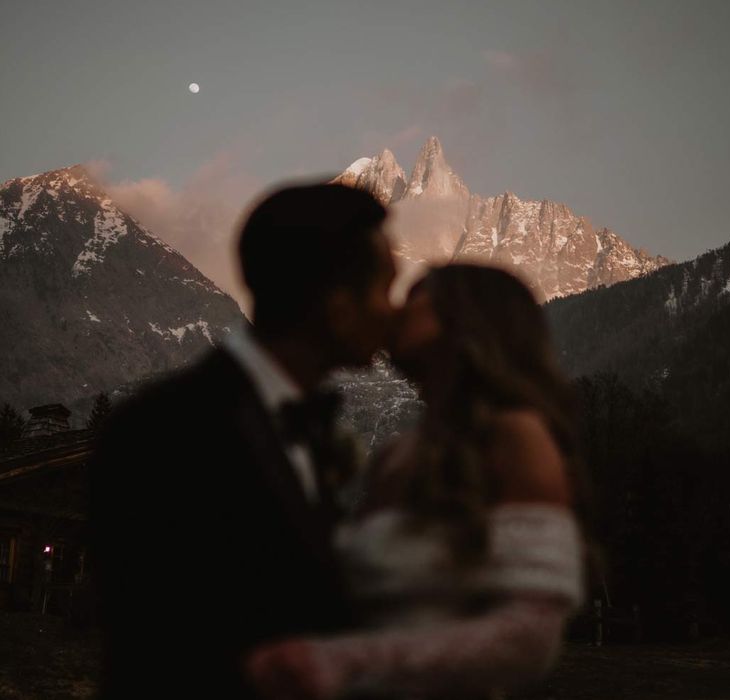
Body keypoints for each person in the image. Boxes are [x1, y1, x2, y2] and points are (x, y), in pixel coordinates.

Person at [88, 182, 397, 698]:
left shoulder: (304, 427)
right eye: (384, 289)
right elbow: (156, 649)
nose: (392, 312)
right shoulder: (166, 431)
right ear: (338, 305)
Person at [245, 264, 589, 699]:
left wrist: (343, 660)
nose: (395, 309)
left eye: (417, 295)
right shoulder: (395, 454)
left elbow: (529, 638)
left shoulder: (515, 437)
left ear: (467, 317)